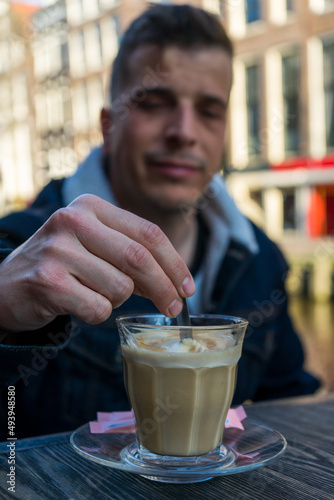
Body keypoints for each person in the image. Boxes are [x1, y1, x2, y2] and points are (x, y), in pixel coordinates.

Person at [0, 4, 319, 439]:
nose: (184, 131)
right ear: (108, 128)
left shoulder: (262, 260)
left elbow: (291, 409)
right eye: (154, 103)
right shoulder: (23, 248)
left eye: (208, 111)